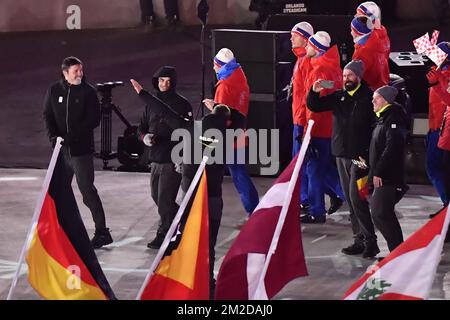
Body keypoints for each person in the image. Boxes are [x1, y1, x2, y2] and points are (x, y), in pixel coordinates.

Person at [307, 60, 379, 258]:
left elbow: (376, 127)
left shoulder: (369, 98)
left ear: (358, 77)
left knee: (358, 198)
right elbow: (314, 105)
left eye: (350, 76)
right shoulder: (339, 97)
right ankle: (359, 240)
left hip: (360, 158)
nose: (346, 79)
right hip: (341, 155)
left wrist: (371, 154)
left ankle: (370, 241)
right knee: (350, 198)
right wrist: (314, 91)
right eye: (345, 76)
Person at [43, 56, 112, 249]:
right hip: (61, 151)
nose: (80, 74)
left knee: (87, 191)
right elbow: (48, 115)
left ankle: (102, 232)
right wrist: (53, 137)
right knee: (58, 192)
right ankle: (60, 229)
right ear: (65, 73)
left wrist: (72, 137)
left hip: (81, 152)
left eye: (81, 70)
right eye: (76, 71)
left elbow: (93, 119)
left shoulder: (88, 92)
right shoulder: (54, 90)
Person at [131, 65, 193, 249]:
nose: (163, 84)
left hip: (171, 159)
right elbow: (141, 127)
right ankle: (180, 221)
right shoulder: (151, 103)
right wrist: (144, 137)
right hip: (155, 158)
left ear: (173, 83)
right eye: (160, 81)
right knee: (156, 196)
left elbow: (186, 132)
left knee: (165, 199)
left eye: (167, 81)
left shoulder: (182, 104)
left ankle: (165, 234)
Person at [180, 104, 237, 299]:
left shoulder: (195, 129)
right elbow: (239, 120)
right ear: (227, 122)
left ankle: (189, 279)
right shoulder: (227, 136)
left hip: (192, 196)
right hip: (212, 197)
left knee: (189, 239)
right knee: (208, 242)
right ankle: (207, 283)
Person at [203, 48, 260, 218]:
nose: (213, 69)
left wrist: (213, 107)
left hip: (228, 138)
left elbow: (222, 116)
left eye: (215, 65)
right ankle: (254, 208)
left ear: (221, 66)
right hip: (239, 133)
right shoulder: (240, 79)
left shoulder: (224, 86)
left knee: (234, 175)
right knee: (239, 172)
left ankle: (253, 209)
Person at [300, 31, 345, 224]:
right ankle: (345, 194)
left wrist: (307, 131)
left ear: (316, 49)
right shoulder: (332, 67)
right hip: (330, 127)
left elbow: (314, 104)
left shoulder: (319, 71)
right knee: (323, 168)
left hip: (317, 128)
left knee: (314, 170)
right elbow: (330, 90)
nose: (306, 48)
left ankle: (317, 211)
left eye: (309, 46)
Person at [368, 85, 406, 253]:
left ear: (384, 100)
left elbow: (392, 147)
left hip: (387, 176)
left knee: (380, 213)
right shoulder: (384, 117)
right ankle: (397, 253)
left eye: (375, 98)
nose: (373, 101)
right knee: (383, 213)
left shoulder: (393, 118)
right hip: (383, 174)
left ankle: (398, 253)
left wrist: (379, 172)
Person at [289, 21, 314, 213]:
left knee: (302, 163)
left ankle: (306, 199)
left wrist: (303, 122)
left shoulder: (306, 61)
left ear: (304, 39)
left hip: (301, 120)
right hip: (298, 118)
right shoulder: (300, 59)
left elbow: (307, 95)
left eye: (294, 35)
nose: (291, 38)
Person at [426, 43, 450, 219]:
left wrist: (436, 83)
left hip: (443, 131)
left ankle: (447, 205)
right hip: (435, 129)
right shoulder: (437, 72)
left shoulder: (444, 76)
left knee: (434, 168)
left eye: (437, 53)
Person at [351, 15, 389, 90]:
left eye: (352, 29)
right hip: (383, 83)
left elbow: (352, 79)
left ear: (356, 32)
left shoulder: (362, 52)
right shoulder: (380, 38)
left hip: (371, 91)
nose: (351, 32)